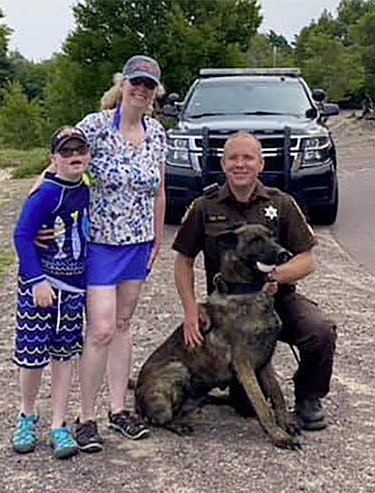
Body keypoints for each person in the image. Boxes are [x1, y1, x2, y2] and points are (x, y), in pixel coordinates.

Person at [172, 131, 337, 431]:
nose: (240, 164)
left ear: (260, 163)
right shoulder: (204, 207)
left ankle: (309, 396)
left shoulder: (281, 203)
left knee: (319, 330)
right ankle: (233, 390)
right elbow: (183, 261)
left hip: (275, 300)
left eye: (247, 158)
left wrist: (274, 276)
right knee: (245, 407)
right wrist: (190, 310)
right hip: (229, 311)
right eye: (233, 158)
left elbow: (307, 259)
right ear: (222, 164)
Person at [72, 55, 167, 452]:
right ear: (123, 84)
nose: (141, 91)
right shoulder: (95, 126)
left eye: (149, 86)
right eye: (136, 83)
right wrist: (39, 209)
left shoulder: (158, 133)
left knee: (125, 324)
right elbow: (62, 160)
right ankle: (85, 416)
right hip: (100, 242)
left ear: (155, 92)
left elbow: (159, 190)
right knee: (101, 329)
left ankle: (117, 409)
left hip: (138, 244)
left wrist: (158, 237)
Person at [11, 126, 91, 459]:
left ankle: (59, 423)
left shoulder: (87, 186)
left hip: (73, 288)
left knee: (64, 355)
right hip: (42, 287)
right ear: (53, 159)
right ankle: (26, 413)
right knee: (32, 356)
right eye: (66, 152)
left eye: (80, 151)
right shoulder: (46, 192)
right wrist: (36, 281)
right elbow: (21, 234)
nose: (74, 157)